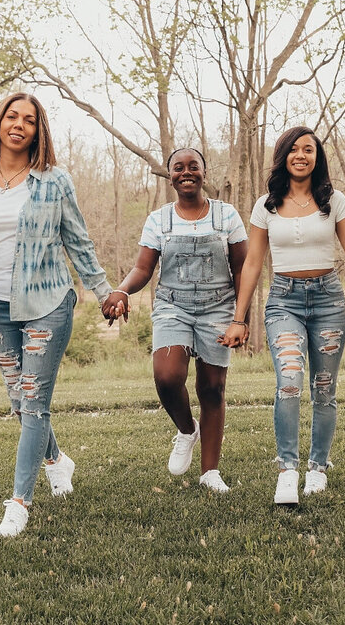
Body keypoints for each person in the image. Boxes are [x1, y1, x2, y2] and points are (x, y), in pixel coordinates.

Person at [0, 92, 115, 538]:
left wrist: (104, 291)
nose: (18, 125)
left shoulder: (55, 181)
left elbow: (78, 241)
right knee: (18, 401)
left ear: (38, 130)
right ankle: (56, 459)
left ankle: (18, 503)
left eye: (28, 120)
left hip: (48, 304)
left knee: (33, 402)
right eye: (11, 117)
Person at [220, 126, 345, 506]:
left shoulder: (335, 201)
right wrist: (239, 317)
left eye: (309, 150)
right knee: (289, 380)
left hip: (329, 300)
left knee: (324, 388)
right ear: (283, 156)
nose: (301, 155)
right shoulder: (266, 204)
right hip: (284, 301)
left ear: (318, 157)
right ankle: (287, 470)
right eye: (294, 149)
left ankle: (317, 467)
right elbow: (252, 264)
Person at [100, 148, 247, 493]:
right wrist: (122, 291)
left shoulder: (226, 215)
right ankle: (186, 430)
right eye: (178, 168)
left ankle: (210, 472)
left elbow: (242, 267)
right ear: (170, 176)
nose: (186, 172)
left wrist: (240, 318)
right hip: (172, 306)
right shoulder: (159, 219)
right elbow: (143, 268)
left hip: (218, 307)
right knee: (167, 377)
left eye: (193, 166)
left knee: (212, 389)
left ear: (204, 172)